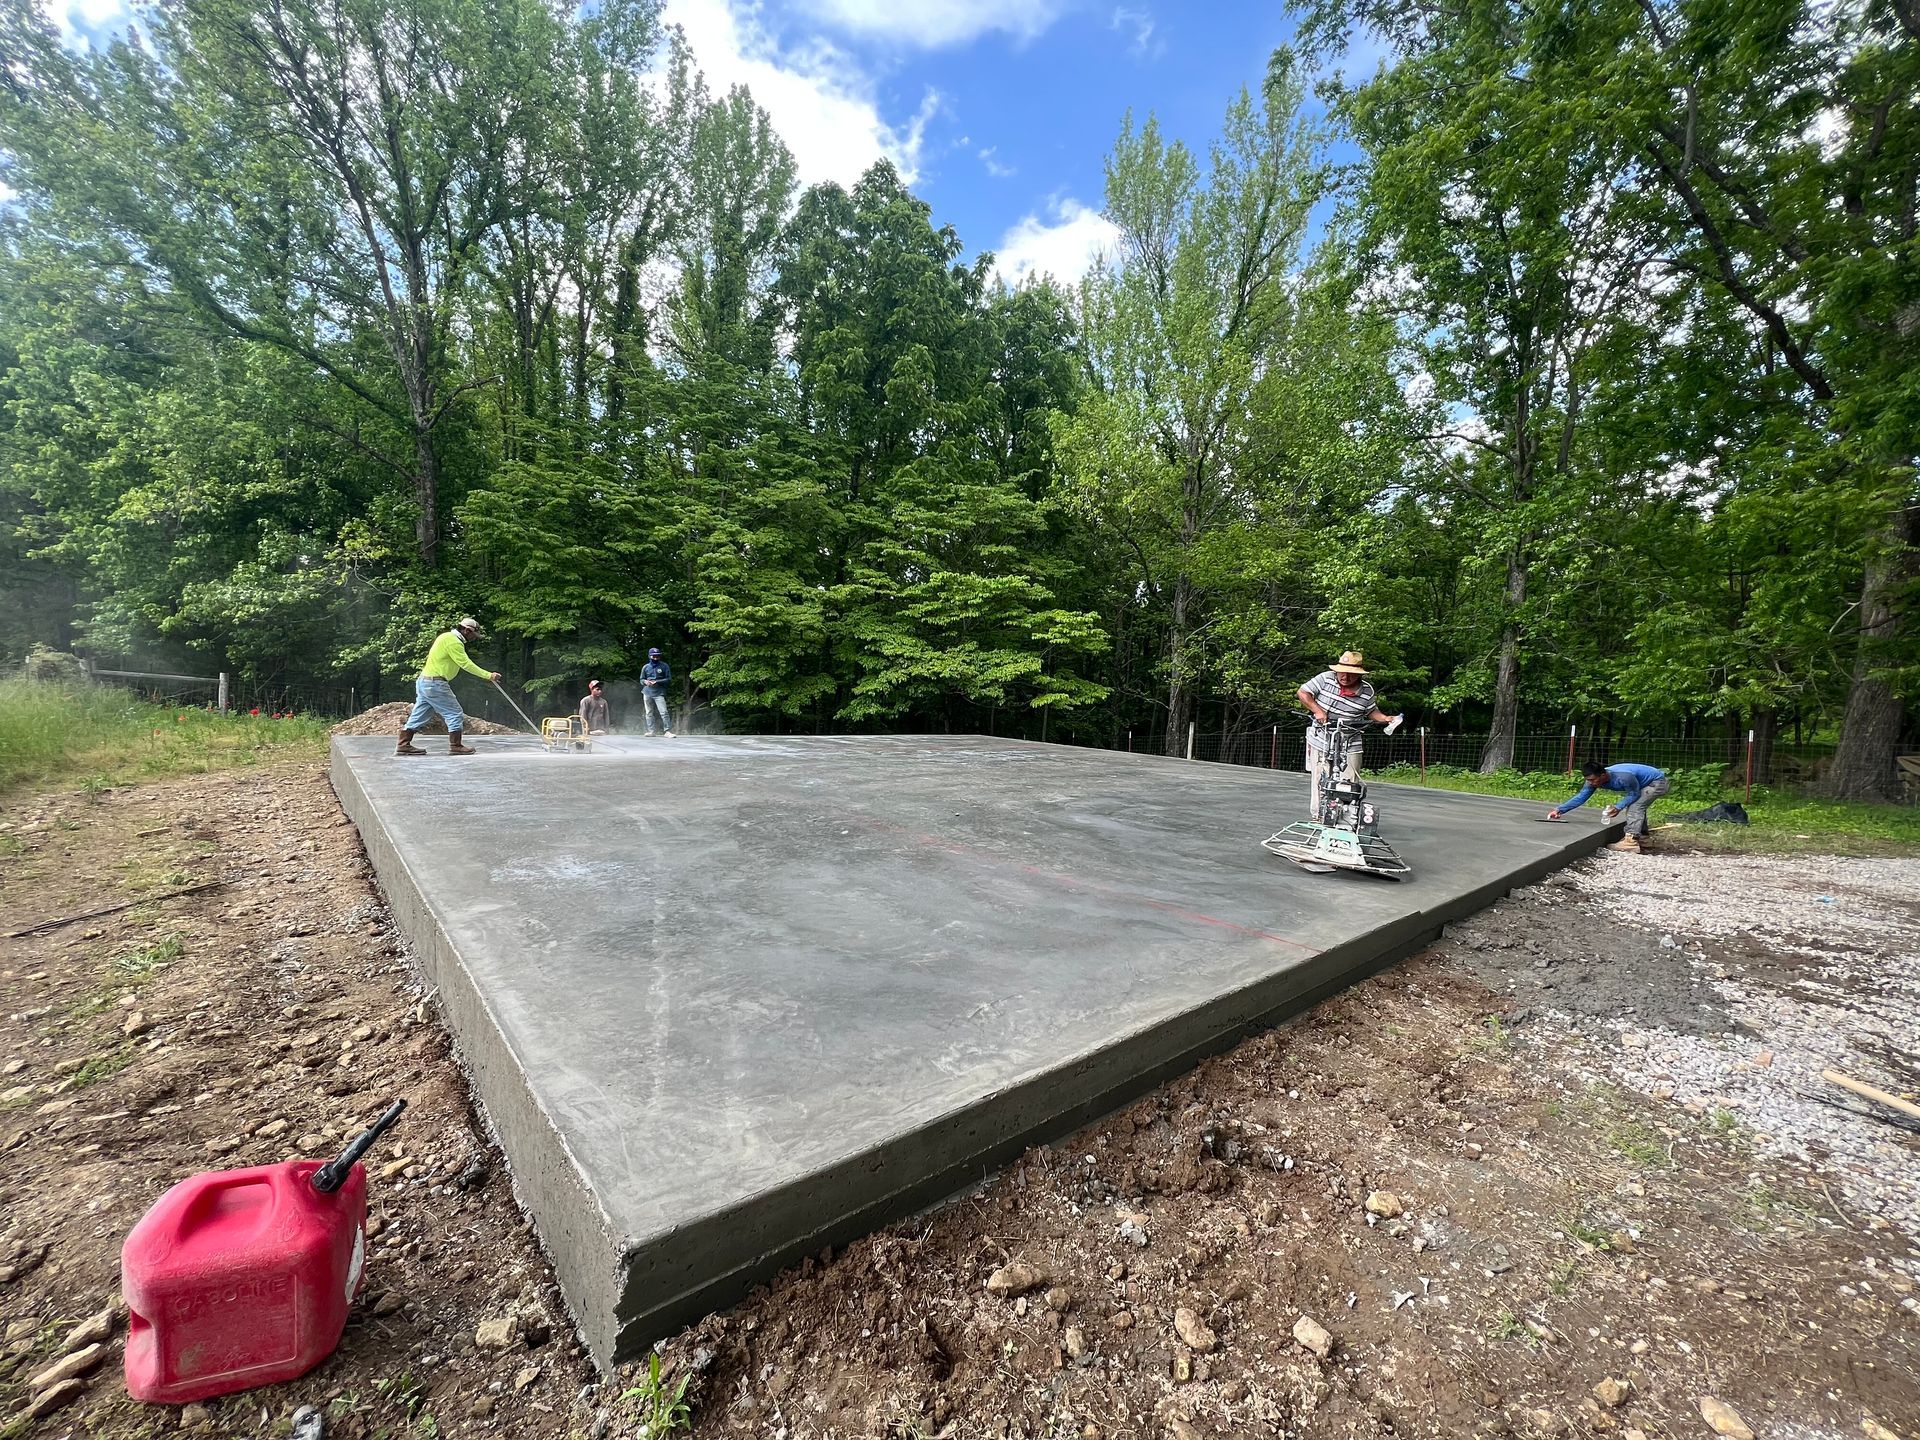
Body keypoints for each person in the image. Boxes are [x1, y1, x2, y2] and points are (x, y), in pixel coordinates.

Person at [1297, 651, 1403, 817]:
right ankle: (1319, 815)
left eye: (1350, 674)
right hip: (1322, 738)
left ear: (1358, 674)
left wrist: (1385, 718)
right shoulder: (1325, 678)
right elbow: (1303, 693)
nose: (1344, 677)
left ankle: (1346, 817)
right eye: (1341, 672)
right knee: (1320, 778)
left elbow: (1371, 711)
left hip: (1350, 739)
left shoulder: (1367, 691)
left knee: (1350, 779)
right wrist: (1318, 711)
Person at [397, 617, 499, 757]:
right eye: (473, 635)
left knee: (421, 713)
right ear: (466, 630)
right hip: (436, 683)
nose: (473, 638)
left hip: (424, 682)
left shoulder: (445, 636)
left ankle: (403, 744)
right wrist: (488, 675)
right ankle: (456, 746)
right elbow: (466, 664)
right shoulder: (454, 642)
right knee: (454, 712)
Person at [1547, 760, 1670, 852]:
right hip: (1642, 783)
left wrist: (1618, 807)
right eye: (1588, 780)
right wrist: (1559, 810)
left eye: (1593, 780)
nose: (1591, 783)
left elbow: (1634, 793)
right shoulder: (1592, 781)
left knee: (1635, 807)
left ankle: (1631, 842)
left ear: (1603, 775)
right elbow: (1581, 797)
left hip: (1656, 782)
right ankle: (1644, 839)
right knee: (1637, 807)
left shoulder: (1623, 777)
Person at [639, 647, 674, 738]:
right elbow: (641, 679)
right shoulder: (645, 667)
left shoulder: (664, 666)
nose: (655, 658)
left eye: (657, 656)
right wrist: (645, 682)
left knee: (664, 712)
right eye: (653, 656)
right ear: (650, 656)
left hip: (659, 692)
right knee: (649, 712)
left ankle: (667, 731)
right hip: (647, 692)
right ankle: (651, 731)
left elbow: (668, 679)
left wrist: (658, 681)